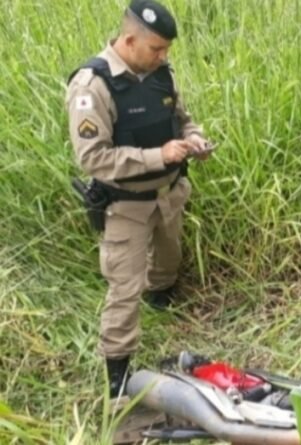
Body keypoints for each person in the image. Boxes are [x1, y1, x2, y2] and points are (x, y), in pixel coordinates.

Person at [65, 0, 212, 397]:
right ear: (129, 40)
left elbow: (182, 119)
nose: (163, 56)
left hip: (170, 192)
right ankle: (118, 374)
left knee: (168, 257)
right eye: (156, 49)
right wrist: (158, 156)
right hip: (126, 205)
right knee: (124, 288)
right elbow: (93, 158)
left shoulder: (162, 72)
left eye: (166, 50)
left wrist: (195, 139)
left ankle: (161, 296)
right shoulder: (92, 86)